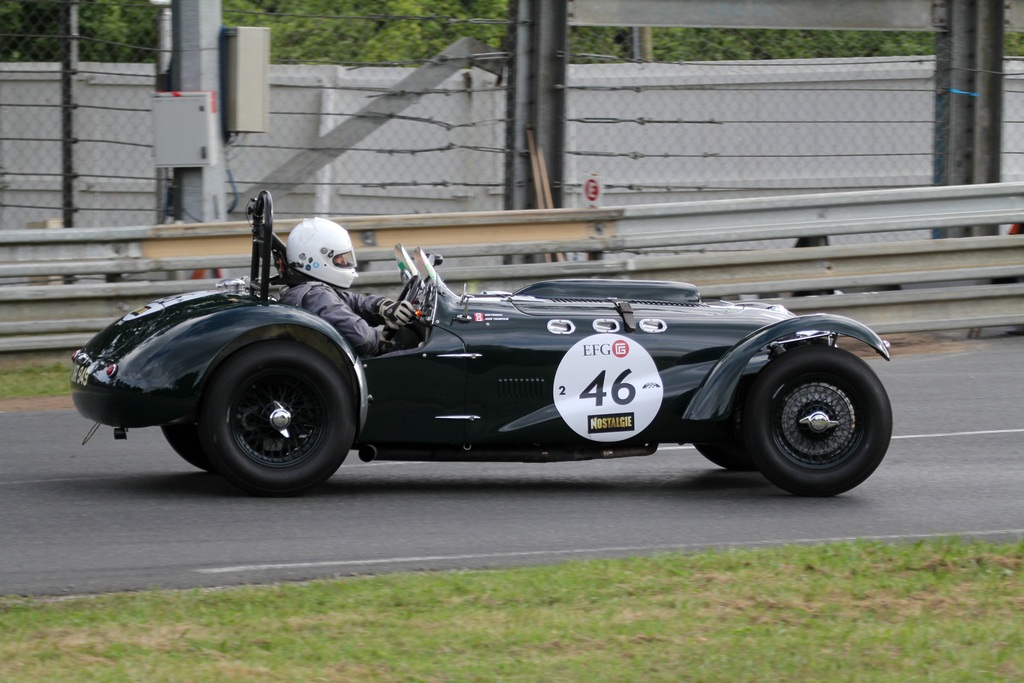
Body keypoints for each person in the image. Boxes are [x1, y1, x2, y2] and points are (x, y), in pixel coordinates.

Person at [279, 216, 416, 356]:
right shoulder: (315, 295)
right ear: (314, 258)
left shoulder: (308, 291)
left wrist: (382, 307)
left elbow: (353, 302)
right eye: (339, 257)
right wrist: (379, 342)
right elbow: (361, 338)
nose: (344, 262)